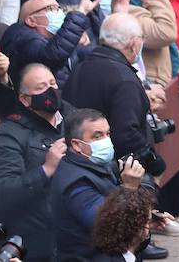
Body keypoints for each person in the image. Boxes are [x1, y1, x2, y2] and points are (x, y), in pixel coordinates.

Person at [0, 63, 71, 262]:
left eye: (53, 84)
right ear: (24, 99)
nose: (51, 91)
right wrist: (46, 170)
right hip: (35, 245)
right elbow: (2, 193)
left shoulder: (72, 118)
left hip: (75, 236)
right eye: (41, 88)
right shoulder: (8, 135)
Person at [49, 109, 149, 262]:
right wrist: (129, 188)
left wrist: (148, 218)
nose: (106, 140)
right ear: (76, 145)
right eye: (98, 136)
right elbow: (108, 225)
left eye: (108, 134)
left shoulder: (96, 166)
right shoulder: (75, 182)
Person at [62, 13, 154, 169]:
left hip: (78, 159)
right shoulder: (125, 80)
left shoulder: (83, 65)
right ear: (133, 43)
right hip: (114, 169)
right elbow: (126, 135)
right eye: (141, 37)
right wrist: (155, 164)